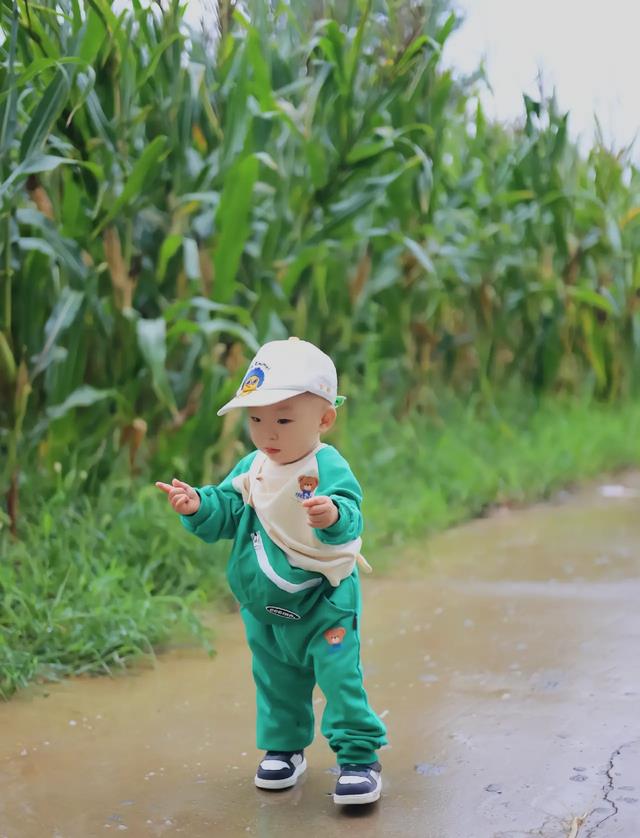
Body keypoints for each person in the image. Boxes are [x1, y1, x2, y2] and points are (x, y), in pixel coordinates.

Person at [156, 337, 387, 805]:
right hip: (264, 606)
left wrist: (333, 516)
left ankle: (359, 756)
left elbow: (351, 513)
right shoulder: (253, 469)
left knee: (340, 677)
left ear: (323, 419)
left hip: (324, 600)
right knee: (276, 678)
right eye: (256, 420)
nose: (269, 434)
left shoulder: (327, 465)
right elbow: (226, 511)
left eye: (283, 420)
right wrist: (197, 503)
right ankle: (285, 748)